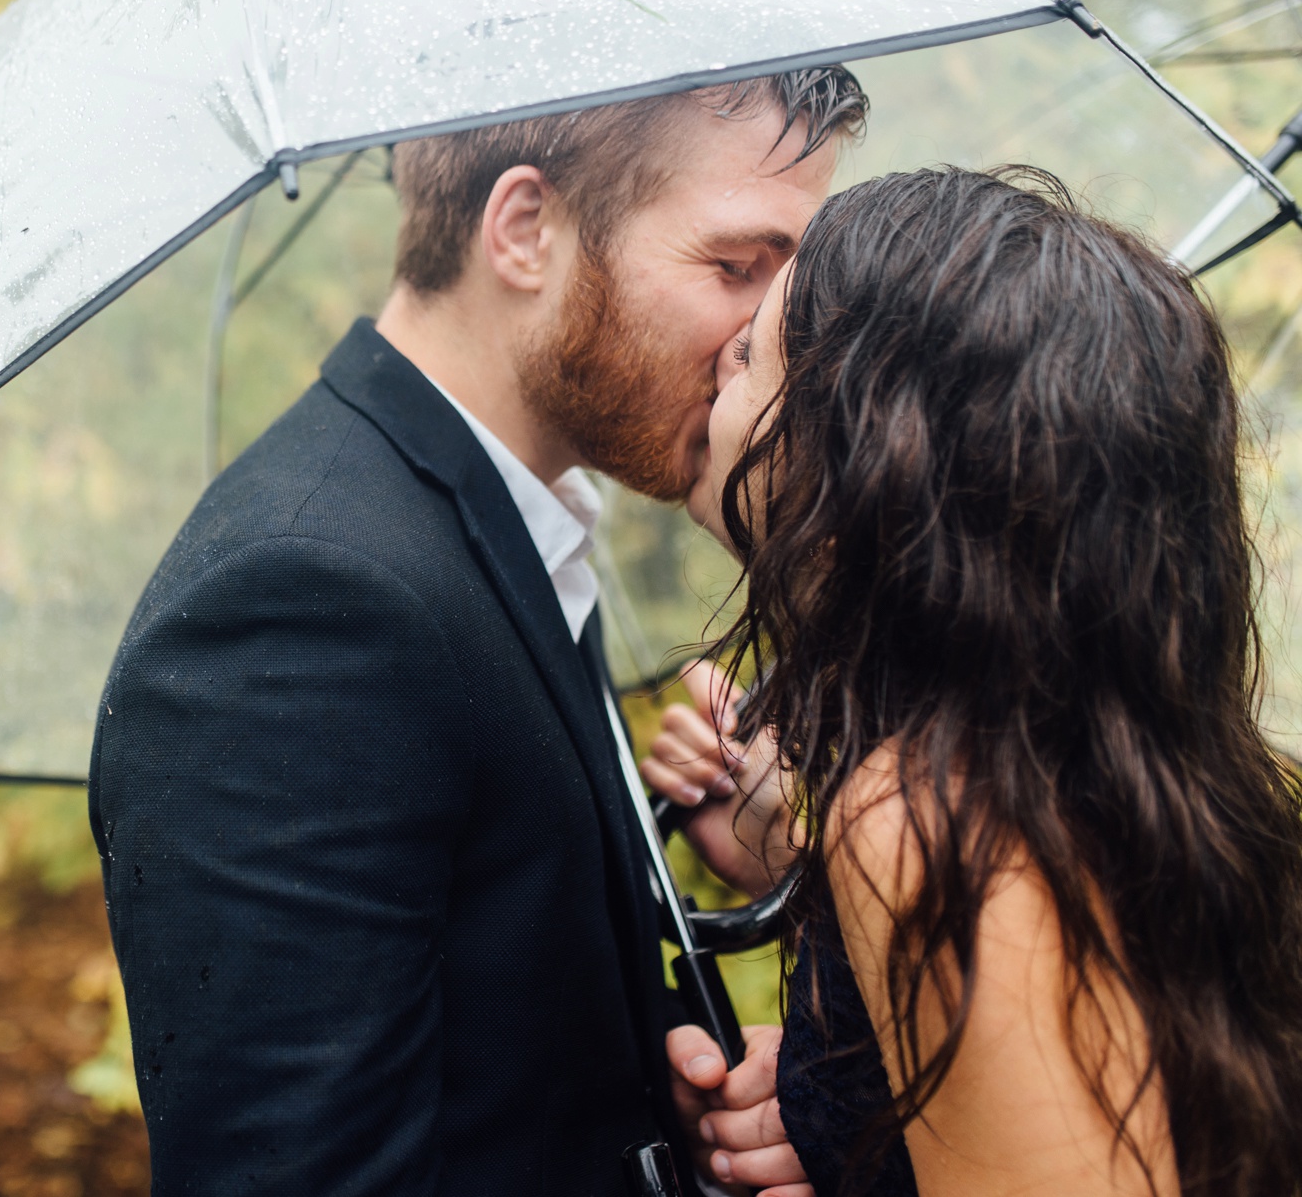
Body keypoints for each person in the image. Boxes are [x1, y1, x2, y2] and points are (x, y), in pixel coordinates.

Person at [88, 69, 867, 1194]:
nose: (768, 332)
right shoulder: (302, 600)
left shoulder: (508, 521)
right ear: (523, 229)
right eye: (735, 267)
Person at [647, 166, 1302, 1197]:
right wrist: (851, 1106)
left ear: (861, 453)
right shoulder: (1091, 772)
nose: (711, 379)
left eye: (745, 356)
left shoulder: (924, 824)